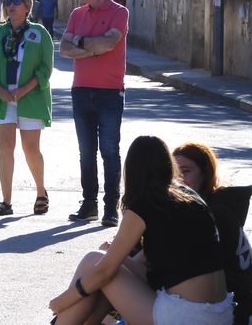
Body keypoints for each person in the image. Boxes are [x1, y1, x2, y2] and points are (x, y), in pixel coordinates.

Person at [49, 135, 233, 325]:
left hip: (186, 316)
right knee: (102, 269)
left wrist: (60, 302)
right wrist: (113, 257)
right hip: (220, 314)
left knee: (93, 261)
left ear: (131, 171)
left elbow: (104, 272)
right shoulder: (189, 198)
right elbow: (142, 265)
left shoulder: (146, 204)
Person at [61, 0, 129, 227]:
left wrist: (80, 43)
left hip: (110, 92)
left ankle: (111, 208)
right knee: (86, 152)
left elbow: (110, 42)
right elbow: (64, 48)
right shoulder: (77, 14)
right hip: (81, 90)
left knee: (109, 151)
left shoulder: (119, 12)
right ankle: (89, 204)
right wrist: (92, 47)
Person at [0, 0, 53, 215]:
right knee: (5, 147)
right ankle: (6, 201)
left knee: (31, 148)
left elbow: (45, 70)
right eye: (8, 1)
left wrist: (23, 90)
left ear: (27, 6)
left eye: (16, 1)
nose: (11, 5)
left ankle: (40, 192)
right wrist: (1, 90)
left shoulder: (39, 33)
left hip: (31, 98)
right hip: (2, 98)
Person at [173, 142, 252, 324]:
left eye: (186, 171)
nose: (178, 179)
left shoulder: (210, 214)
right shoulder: (212, 205)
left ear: (205, 173)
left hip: (233, 308)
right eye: (174, 173)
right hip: (225, 301)